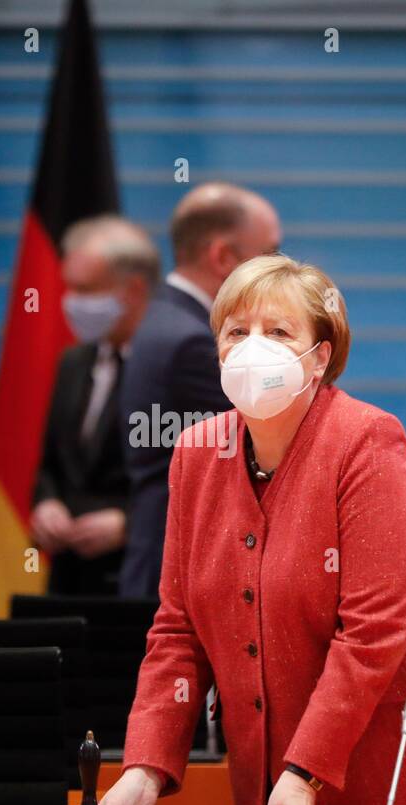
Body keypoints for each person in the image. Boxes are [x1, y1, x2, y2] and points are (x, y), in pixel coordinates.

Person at [98, 255, 406, 805]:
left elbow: (374, 632)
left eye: (278, 333)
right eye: (236, 332)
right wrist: (145, 764)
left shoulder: (367, 441)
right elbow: (178, 630)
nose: (253, 348)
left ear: (320, 356)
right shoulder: (196, 453)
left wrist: (305, 772)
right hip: (285, 790)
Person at [117, 183, 282, 598]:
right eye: (270, 255)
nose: (280, 273)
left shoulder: (163, 319)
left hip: (158, 562)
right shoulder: (197, 342)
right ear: (223, 257)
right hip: (180, 576)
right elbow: (265, 450)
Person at [30, 216, 158, 595]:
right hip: (68, 579)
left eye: (87, 290)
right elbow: (51, 462)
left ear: (134, 289)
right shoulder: (73, 362)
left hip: (141, 583)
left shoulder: (176, 368)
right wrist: (47, 503)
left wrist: (129, 525)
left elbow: (198, 481)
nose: (72, 303)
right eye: (70, 288)